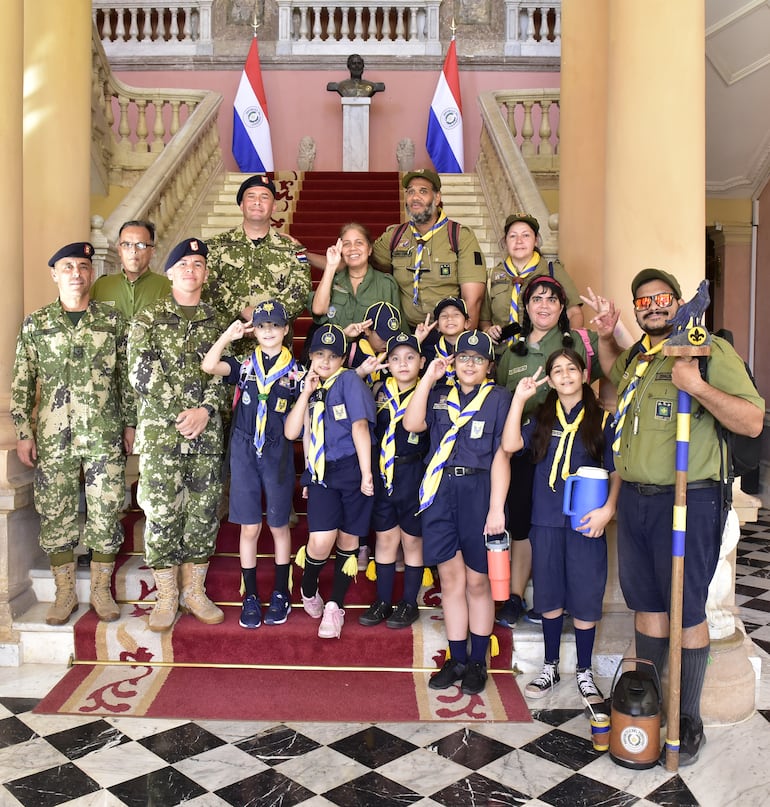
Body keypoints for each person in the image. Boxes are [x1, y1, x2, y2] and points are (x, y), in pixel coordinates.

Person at [594, 267, 765, 765]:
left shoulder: (706, 349)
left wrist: (696, 384)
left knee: (686, 609)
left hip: (689, 501)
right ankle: (648, 702)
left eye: (663, 298)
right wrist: (607, 335)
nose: (655, 307)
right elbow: (612, 375)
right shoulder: (639, 357)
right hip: (637, 503)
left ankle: (686, 717)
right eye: (644, 302)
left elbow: (752, 420)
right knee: (647, 604)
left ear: (677, 301)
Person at [11, 242, 135, 625]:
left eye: (83, 266)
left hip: (103, 431)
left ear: (91, 273)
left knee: (107, 508)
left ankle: (101, 589)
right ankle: (65, 592)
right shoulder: (37, 323)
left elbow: (126, 379)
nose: (77, 273)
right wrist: (22, 430)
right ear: (54, 274)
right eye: (68, 267)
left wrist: (130, 423)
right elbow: (21, 381)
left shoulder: (112, 321)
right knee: (56, 512)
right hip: (53, 434)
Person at [502, 349, 620, 706]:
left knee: (586, 593)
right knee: (549, 593)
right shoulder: (540, 418)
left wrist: (609, 511)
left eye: (572, 368)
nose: (565, 375)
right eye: (557, 370)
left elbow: (617, 471)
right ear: (550, 379)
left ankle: (584, 670)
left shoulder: (601, 420)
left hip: (587, 520)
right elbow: (509, 445)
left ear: (584, 374)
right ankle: (550, 665)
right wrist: (519, 399)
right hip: (547, 517)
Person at [403, 330, 512, 695]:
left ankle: (478, 660)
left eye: (478, 359)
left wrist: (496, 508)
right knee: (450, 580)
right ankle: (457, 658)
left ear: (488, 366)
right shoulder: (437, 397)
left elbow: (502, 455)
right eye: (463, 357)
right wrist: (428, 378)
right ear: (453, 362)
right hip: (439, 490)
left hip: (478, 491)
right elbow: (411, 425)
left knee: (477, 581)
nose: (470, 364)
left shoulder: (499, 400)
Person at [128, 238, 225, 632]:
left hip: (206, 433)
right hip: (161, 435)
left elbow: (229, 372)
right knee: (161, 512)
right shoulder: (147, 320)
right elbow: (141, 373)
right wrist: (180, 415)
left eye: (198, 263)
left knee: (203, 512)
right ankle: (167, 595)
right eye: (183, 263)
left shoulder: (218, 322)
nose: (191, 269)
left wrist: (206, 410)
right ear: (169, 272)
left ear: (205, 273)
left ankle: (194, 592)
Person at [495, 276, 604, 629]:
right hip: (526, 446)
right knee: (523, 524)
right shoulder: (512, 350)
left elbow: (609, 371)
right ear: (526, 307)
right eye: (536, 299)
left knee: (568, 525)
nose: (543, 305)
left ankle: (565, 598)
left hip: (571, 445)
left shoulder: (579, 343)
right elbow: (499, 395)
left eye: (551, 299)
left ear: (562, 307)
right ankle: (516, 595)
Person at [201, 300, 303, 629]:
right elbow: (209, 365)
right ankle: (250, 595)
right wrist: (227, 337)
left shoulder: (297, 373)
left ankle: (280, 593)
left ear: (286, 330)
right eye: (262, 326)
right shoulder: (245, 367)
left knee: (278, 526)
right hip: (245, 451)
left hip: (278, 453)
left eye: (275, 325)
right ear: (254, 330)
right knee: (249, 526)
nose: (269, 331)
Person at [284, 324, 376, 639]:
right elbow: (297, 433)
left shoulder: (349, 380)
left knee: (348, 542)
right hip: (323, 473)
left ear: (341, 359)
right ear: (310, 356)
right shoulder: (309, 387)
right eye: (319, 354)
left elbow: (360, 427)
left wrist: (366, 474)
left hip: (352, 469)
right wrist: (306, 392)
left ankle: (335, 605)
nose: (325, 361)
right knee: (321, 540)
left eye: (332, 355)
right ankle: (308, 588)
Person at [360, 333, 428, 629]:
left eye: (410, 357)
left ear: (422, 362)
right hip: (383, 473)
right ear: (386, 362)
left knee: (412, 540)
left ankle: (409, 602)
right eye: (396, 358)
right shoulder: (376, 391)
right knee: (386, 538)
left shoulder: (429, 392)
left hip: (414, 473)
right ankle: (383, 600)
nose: (403, 364)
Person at [204, 174, 311, 348]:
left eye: (265, 197)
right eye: (251, 196)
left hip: (275, 351)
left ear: (274, 206)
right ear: (241, 205)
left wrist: (266, 319)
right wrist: (243, 309)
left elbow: (300, 290)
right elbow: (207, 284)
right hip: (226, 348)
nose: (257, 202)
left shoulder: (292, 249)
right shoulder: (215, 246)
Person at [371, 169, 486, 330]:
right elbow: (357, 262)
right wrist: (329, 262)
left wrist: (462, 345)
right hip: (405, 333)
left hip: (447, 332)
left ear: (437, 198)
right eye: (410, 192)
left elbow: (472, 300)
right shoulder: (395, 235)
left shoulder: (460, 236)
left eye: (423, 191)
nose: (415, 197)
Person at [480, 213, 583, 349]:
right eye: (513, 236)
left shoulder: (552, 271)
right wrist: (489, 330)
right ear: (505, 242)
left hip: (544, 353)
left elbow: (574, 313)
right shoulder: (493, 275)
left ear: (536, 240)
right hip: (503, 356)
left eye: (526, 235)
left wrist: (571, 346)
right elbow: (484, 321)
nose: (519, 241)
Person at [310, 223, 401, 331]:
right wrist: (331, 266)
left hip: (372, 347)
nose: (352, 248)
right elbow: (318, 310)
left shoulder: (386, 283)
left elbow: (396, 327)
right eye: (346, 244)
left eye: (359, 243)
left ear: (370, 250)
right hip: (337, 344)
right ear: (341, 251)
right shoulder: (332, 280)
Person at [91, 219, 171, 320]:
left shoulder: (168, 288)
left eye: (141, 245)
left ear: (152, 251)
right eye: (126, 245)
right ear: (119, 250)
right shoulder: (101, 286)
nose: (133, 250)